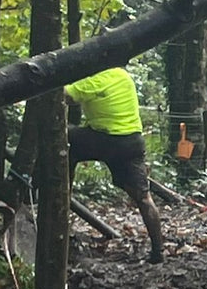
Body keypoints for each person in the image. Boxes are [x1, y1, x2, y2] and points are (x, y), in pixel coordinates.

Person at [65, 66, 164, 263]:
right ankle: (158, 252)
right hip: (132, 142)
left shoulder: (96, 79)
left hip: (104, 139)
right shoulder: (122, 75)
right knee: (144, 198)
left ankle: (61, 190)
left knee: (65, 136)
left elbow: (65, 95)